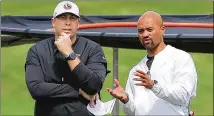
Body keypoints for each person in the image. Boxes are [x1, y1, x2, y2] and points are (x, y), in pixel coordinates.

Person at [25, 1, 108, 116]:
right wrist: (78, 91)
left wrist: (70, 54)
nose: (68, 23)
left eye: (72, 18)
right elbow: (36, 88)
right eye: (63, 18)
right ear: (54, 22)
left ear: (78, 23)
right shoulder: (37, 51)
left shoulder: (93, 49)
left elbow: (94, 86)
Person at [107, 11, 198, 115]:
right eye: (141, 31)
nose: (145, 34)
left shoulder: (180, 58)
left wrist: (154, 86)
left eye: (149, 29)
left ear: (162, 30)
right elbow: (132, 112)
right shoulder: (136, 70)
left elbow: (183, 95)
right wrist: (126, 100)